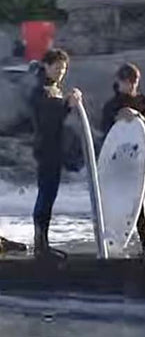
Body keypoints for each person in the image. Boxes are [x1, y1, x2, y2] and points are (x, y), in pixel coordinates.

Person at [30, 49, 82, 259]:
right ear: (46, 66)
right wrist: (68, 106)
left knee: (49, 195)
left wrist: (67, 103)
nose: (61, 72)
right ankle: (40, 244)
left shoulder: (53, 88)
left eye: (64, 68)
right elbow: (49, 121)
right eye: (57, 67)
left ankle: (43, 243)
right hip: (46, 149)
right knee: (46, 195)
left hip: (54, 149)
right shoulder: (41, 90)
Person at [101, 63, 145, 259]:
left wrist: (138, 116)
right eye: (126, 82)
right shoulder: (111, 105)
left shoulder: (143, 100)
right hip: (117, 164)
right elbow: (105, 134)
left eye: (134, 82)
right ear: (119, 82)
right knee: (112, 202)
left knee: (138, 204)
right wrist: (118, 119)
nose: (130, 86)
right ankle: (107, 245)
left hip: (136, 163)